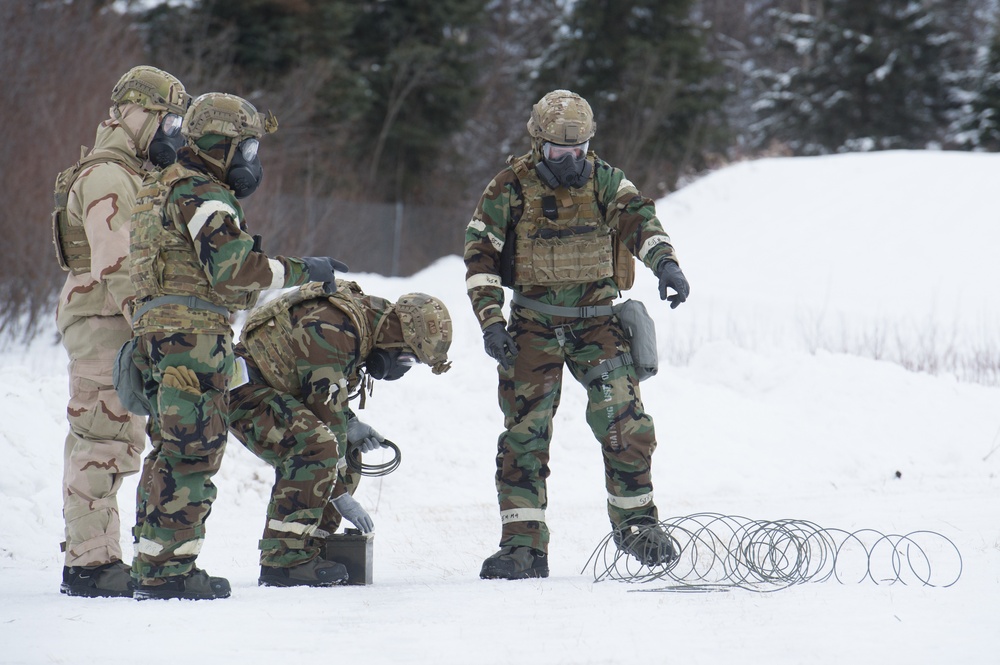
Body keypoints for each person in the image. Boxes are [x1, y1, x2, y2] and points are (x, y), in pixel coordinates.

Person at [463, 89, 691, 580]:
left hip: (597, 325)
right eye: (558, 153)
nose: (569, 162)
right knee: (525, 435)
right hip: (533, 326)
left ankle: (638, 529)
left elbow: (640, 219)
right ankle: (523, 546)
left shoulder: (606, 182)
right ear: (537, 144)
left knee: (625, 423)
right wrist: (491, 323)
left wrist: (666, 265)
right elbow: (480, 256)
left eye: (579, 151)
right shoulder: (510, 187)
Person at [128, 91, 347, 600]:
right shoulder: (201, 193)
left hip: (158, 334)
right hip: (193, 337)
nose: (252, 162)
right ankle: (170, 574)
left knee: (169, 447)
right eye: (245, 149)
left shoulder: (158, 187)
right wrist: (302, 270)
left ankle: (154, 561)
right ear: (217, 145)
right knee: (194, 450)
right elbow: (235, 273)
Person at [55, 66, 190, 598]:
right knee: (101, 439)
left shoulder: (129, 172)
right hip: (103, 325)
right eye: (168, 120)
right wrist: (156, 332)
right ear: (140, 115)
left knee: (114, 437)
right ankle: (90, 565)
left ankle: (97, 554)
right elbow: (118, 267)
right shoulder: (110, 176)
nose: (174, 133)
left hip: (112, 325)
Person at [227, 279, 452, 587]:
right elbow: (324, 416)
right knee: (314, 445)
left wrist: (352, 424)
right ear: (399, 334)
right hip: (243, 390)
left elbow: (327, 402)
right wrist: (341, 497)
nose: (402, 368)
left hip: (278, 389)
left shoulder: (365, 327)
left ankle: (313, 543)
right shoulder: (334, 328)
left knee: (346, 449)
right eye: (407, 357)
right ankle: (284, 560)